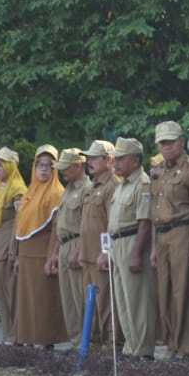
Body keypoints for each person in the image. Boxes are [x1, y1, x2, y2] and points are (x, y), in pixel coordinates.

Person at [149, 121, 189, 358]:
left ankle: (185, 347)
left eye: (171, 142)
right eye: (162, 142)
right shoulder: (157, 169)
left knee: (182, 291)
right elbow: (153, 209)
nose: (167, 147)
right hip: (161, 234)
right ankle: (171, 343)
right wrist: (152, 247)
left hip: (182, 230)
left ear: (182, 141)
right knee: (164, 292)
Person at [102, 138, 156, 357]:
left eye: (122, 158)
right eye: (115, 158)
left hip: (133, 242)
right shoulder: (122, 185)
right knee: (123, 300)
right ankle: (131, 347)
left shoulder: (142, 183)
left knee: (138, 301)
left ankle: (143, 351)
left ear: (135, 160)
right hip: (117, 244)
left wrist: (136, 254)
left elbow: (144, 222)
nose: (116, 163)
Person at [13, 145, 65, 346]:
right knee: (27, 301)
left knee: (43, 300)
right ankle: (27, 339)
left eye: (49, 165)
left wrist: (52, 256)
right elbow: (22, 227)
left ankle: (46, 341)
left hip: (42, 255)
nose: (44, 169)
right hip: (26, 255)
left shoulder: (56, 193)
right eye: (40, 165)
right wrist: (18, 256)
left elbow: (56, 229)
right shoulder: (30, 191)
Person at [77, 141, 120, 350]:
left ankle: (111, 345)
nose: (90, 162)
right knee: (91, 304)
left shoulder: (112, 185)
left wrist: (106, 252)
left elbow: (112, 224)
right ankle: (92, 344)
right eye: (89, 158)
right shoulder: (92, 185)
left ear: (109, 160)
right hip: (88, 255)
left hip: (101, 257)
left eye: (95, 158)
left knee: (106, 304)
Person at [49, 148, 92, 346]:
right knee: (68, 300)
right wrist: (54, 254)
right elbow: (61, 224)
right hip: (64, 244)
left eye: (66, 168)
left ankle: (86, 343)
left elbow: (86, 225)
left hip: (77, 243)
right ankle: (76, 343)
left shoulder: (87, 189)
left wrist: (80, 251)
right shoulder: (69, 190)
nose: (63, 172)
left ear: (78, 166)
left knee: (79, 297)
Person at [0, 147, 26, 344]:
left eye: (1, 164)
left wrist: (14, 251)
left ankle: (17, 335)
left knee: (13, 294)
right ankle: (8, 334)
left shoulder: (17, 188)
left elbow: (20, 222)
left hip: (8, 250)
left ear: (11, 166)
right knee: (2, 296)